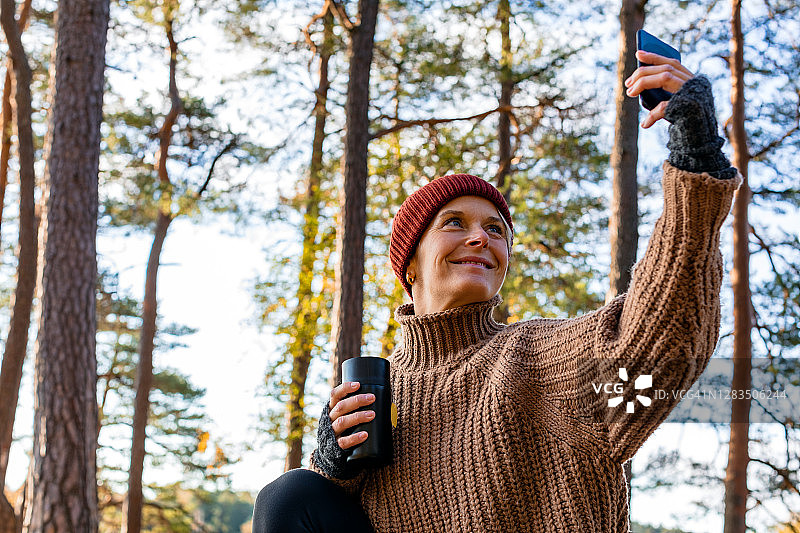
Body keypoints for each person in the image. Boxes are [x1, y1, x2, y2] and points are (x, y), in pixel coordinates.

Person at [252, 51, 741, 532]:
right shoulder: (379, 397)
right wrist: (331, 466)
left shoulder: (537, 361)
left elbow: (660, 351)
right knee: (290, 494)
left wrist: (695, 157)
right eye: (454, 223)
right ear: (409, 264)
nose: (480, 238)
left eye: (495, 230)